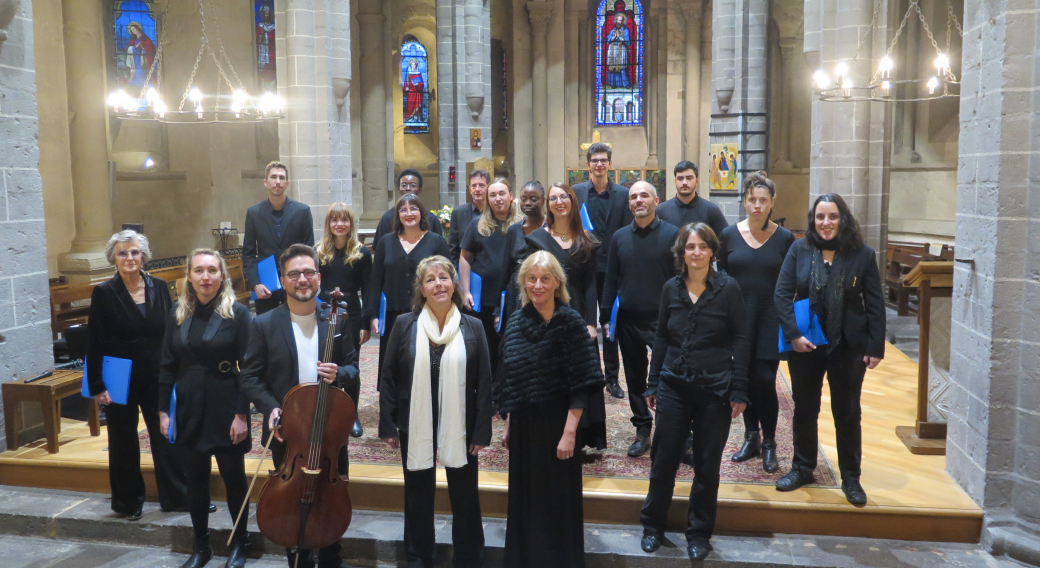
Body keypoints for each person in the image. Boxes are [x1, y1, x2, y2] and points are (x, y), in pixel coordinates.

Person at [238, 244, 360, 568]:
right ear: (282, 280)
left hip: (330, 429)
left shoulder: (338, 318)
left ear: (319, 278)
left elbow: (353, 368)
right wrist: (271, 409)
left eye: (308, 273)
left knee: (329, 494)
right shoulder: (264, 324)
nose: (302, 279)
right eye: (294, 274)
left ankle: (332, 551)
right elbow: (249, 376)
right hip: (289, 430)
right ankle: (298, 552)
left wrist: (340, 374)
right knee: (292, 496)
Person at [639, 223, 749, 561]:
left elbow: (742, 339)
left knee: (706, 465)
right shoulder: (670, 289)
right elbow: (660, 338)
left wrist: (739, 389)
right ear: (681, 253)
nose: (696, 252)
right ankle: (652, 525)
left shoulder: (729, 289)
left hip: (715, 389)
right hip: (674, 384)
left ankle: (699, 533)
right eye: (690, 247)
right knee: (664, 458)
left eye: (702, 246)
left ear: (713, 252)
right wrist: (653, 381)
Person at [379, 256, 493, 568]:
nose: (438, 284)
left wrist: (483, 429)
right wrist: (388, 424)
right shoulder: (405, 324)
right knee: (417, 492)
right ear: (422, 289)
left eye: (444, 277)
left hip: (462, 423)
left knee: (465, 493)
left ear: (455, 284)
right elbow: (387, 376)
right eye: (430, 279)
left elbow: (485, 381)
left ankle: (469, 556)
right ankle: (418, 556)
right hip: (414, 419)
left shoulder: (474, 327)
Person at [773, 194, 885, 505]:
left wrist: (875, 346)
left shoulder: (862, 254)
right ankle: (803, 467)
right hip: (806, 346)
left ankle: (851, 477)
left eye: (832, 217)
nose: (826, 223)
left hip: (848, 347)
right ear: (813, 220)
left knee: (847, 413)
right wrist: (793, 335)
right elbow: (782, 294)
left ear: (843, 219)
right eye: (820, 217)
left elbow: (874, 304)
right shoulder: (800, 249)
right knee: (805, 409)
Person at [496, 252, 606, 568]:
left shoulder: (571, 321)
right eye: (531, 278)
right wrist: (508, 425)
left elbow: (582, 384)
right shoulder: (516, 321)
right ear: (523, 282)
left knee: (556, 504)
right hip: (525, 428)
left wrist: (570, 434)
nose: (538, 285)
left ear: (557, 282)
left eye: (545, 279)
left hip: (559, 425)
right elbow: (512, 380)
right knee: (525, 503)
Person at [158, 249, 252, 568]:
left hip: (226, 403)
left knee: (234, 479)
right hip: (188, 404)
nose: (206, 277)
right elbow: (167, 365)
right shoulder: (177, 313)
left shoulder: (238, 313)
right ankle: (202, 546)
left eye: (212, 270)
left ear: (222, 275)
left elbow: (249, 368)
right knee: (195, 480)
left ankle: (240, 543)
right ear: (189, 276)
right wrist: (163, 411)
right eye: (199, 271)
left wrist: (242, 415)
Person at [86, 230, 187, 521]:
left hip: (157, 374)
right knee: (123, 440)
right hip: (119, 378)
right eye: (122, 253)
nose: (129, 258)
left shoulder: (159, 285)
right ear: (113, 259)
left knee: (166, 435)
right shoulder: (104, 292)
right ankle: (128, 502)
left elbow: (171, 333)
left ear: (143, 256)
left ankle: (177, 496)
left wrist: (177, 370)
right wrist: (96, 384)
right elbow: (94, 341)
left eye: (134, 252)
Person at [717, 172, 796, 473]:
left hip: (771, 319)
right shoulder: (728, 235)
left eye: (763, 200)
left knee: (765, 380)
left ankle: (770, 442)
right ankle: (751, 437)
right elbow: (721, 277)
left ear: (772, 202)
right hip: (738, 318)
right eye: (752, 200)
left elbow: (790, 283)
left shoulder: (785, 238)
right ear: (745, 201)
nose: (758, 205)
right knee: (744, 380)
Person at [523, 183, 607, 451]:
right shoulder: (536, 239)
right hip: (548, 313)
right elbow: (531, 280)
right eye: (553, 198)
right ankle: (549, 428)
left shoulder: (587, 239)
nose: (559, 202)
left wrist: (590, 323)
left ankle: (580, 435)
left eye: (564, 197)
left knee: (579, 374)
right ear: (548, 204)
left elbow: (592, 284)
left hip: (579, 315)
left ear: (572, 201)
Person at [600, 181, 680, 458]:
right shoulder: (620, 237)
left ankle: (673, 432)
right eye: (633, 197)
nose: (638, 200)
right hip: (628, 320)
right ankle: (642, 429)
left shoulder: (673, 235)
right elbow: (611, 279)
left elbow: (680, 281)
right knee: (635, 378)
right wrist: (606, 316)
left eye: (644, 195)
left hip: (664, 322)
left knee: (669, 378)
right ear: (629, 203)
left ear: (656, 201)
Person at [366, 195, 451, 387]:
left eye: (413, 208)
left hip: (427, 313)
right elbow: (375, 281)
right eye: (403, 210)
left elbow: (448, 278)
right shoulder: (386, 242)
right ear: (397, 215)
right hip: (393, 315)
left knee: (425, 365)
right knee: (394, 366)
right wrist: (373, 315)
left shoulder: (436, 241)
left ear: (422, 212)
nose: (409, 213)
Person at [572, 142, 632, 400]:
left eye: (603, 160)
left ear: (610, 164)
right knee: (584, 323)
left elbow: (628, 233)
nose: (599, 164)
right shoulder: (576, 193)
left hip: (612, 269)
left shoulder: (622, 194)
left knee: (609, 325)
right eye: (594, 160)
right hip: (583, 268)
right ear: (588, 165)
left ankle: (611, 379)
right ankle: (589, 375)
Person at [317, 202, 371, 439]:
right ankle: (326, 411)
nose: (340, 224)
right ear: (329, 224)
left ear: (351, 223)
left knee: (351, 366)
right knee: (325, 363)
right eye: (334, 220)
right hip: (324, 313)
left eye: (344, 220)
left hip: (352, 315)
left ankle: (352, 414)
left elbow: (369, 289)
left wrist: (367, 323)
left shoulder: (362, 253)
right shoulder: (319, 252)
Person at [459, 178, 521, 371]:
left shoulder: (522, 225)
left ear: (511, 196)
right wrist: (466, 291)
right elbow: (464, 259)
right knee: (486, 348)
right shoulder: (477, 224)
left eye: (502, 193)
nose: (497, 199)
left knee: (511, 348)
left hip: (514, 298)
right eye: (492, 195)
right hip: (483, 299)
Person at [243, 161, 315, 315]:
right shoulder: (254, 213)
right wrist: (256, 284)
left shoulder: (302, 211)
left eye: (281, 178)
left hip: (296, 281)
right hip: (266, 285)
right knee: (266, 331)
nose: (277, 182)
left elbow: (309, 251)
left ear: (287, 183)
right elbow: (248, 254)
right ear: (265, 182)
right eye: (273, 177)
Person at [499, 181, 546, 332]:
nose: (527, 203)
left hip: (543, 289)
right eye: (524, 198)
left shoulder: (551, 228)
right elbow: (506, 269)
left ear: (543, 200)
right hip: (517, 292)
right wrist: (497, 309)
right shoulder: (514, 230)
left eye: (533, 199)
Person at [656, 161, 729, 237]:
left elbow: (726, 239)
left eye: (689, 178)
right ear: (675, 181)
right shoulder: (661, 210)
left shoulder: (711, 210)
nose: (684, 182)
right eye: (680, 179)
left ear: (697, 181)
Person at [373, 170, 444, 244]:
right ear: (398, 189)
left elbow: (438, 248)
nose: (408, 188)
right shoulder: (387, 218)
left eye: (413, 185)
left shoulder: (431, 218)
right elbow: (380, 248)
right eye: (404, 185)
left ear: (420, 189)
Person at [449, 169, 490, 265]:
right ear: (470, 189)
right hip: (465, 268)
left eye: (482, 185)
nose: (477, 189)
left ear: (488, 188)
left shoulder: (495, 212)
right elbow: (453, 248)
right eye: (474, 186)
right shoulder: (459, 213)